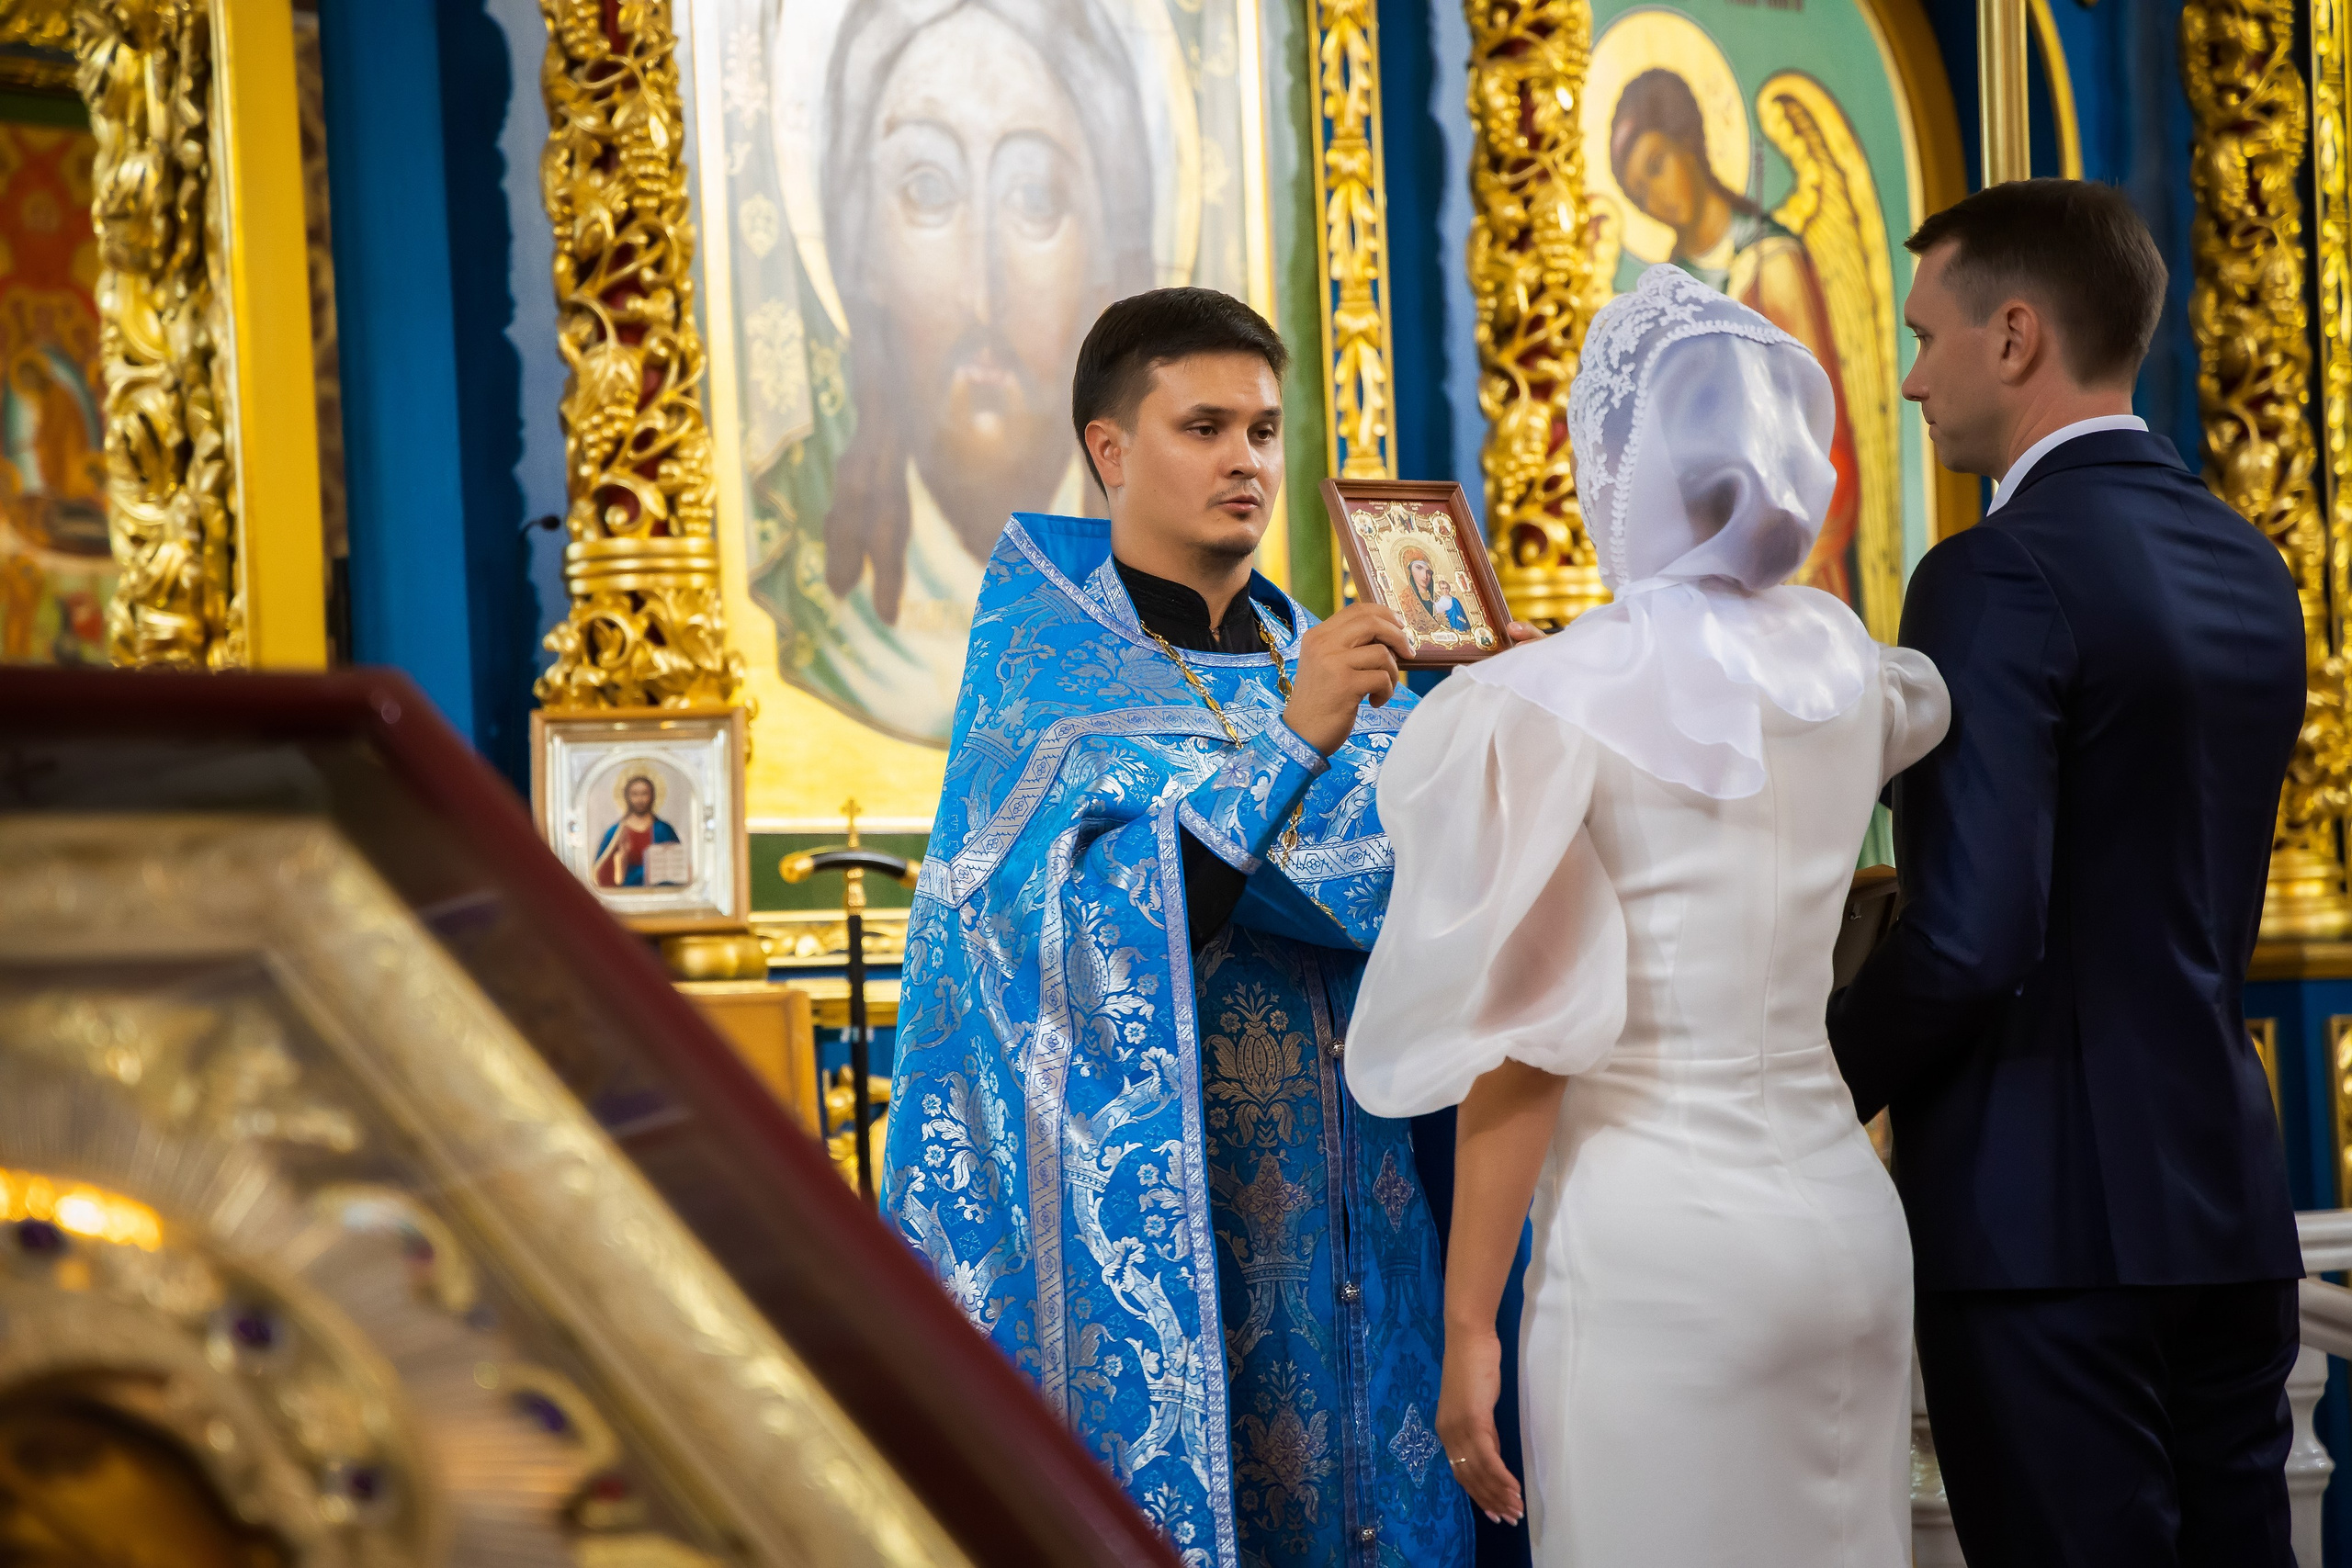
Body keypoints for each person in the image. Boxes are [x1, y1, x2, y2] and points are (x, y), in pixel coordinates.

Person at [884, 288, 1532, 1566]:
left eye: (1264, 428)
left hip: (1371, 1220)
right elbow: (1061, 951)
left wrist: (1509, 733)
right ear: (1110, 450)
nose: (1245, 458)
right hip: (1187, 1240)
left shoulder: (1346, 665)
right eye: (1205, 425)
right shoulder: (1052, 675)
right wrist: (1293, 740)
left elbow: (1458, 923)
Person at [1348, 263, 1949, 1563]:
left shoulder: (1548, 701)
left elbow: (1526, 1048)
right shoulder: (1853, 668)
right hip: (1849, 1227)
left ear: (1618, 468)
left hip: (1659, 1247)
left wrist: (1467, 1332)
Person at [1828, 179, 2307, 1567]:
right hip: (2224, 1197)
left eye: (1926, 338)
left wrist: (1806, 1086)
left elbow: (1974, 935)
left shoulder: (1996, 572)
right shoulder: (2248, 559)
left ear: (2017, 336)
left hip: (2045, 1222)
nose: (1911, 377)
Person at [1610, 66, 1862, 604]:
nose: (1653, 197)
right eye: (1637, 192)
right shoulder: (1666, 297)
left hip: (1784, 573)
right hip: (1701, 577)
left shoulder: (1771, 262)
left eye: (1656, 166)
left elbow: (1827, 438)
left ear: (1691, 143)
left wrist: (1769, 542)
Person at [592, 773, 684, 888]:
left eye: (644, 793)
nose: (640, 799)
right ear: (627, 797)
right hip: (627, 893)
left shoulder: (663, 829)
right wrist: (620, 860)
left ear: (652, 796)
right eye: (634, 794)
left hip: (659, 894)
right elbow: (600, 874)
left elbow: (678, 868)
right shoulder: (616, 831)